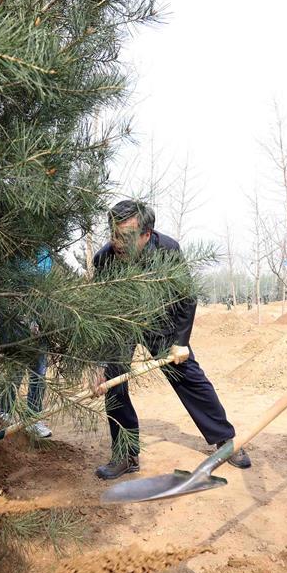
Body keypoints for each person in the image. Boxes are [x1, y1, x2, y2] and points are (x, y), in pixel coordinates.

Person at [91, 200, 251, 478]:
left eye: (126, 236)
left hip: (160, 321)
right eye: (113, 233)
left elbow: (186, 297)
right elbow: (98, 313)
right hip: (121, 324)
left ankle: (225, 440)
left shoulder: (167, 249)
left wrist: (181, 341)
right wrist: (97, 362)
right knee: (113, 382)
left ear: (146, 235)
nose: (117, 242)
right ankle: (125, 455)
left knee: (187, 374)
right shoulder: (103, 259)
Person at [0, 249, 53, 438]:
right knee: (15, 370)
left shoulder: (44, 252)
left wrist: (39, 319)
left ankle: (33, 418)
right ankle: (5, 413)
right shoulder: (13, 251)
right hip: (14, 322)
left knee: (39, 372)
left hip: (39, 322)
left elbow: (44, 288)